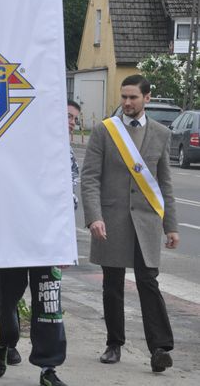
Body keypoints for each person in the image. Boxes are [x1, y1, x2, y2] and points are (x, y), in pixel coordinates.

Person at [81, 74, 179, 373]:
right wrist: (94, 216)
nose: (127, 102)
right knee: (112, 285)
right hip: (111, 220)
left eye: (133, 97)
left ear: (146, 98)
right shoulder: (104, 131)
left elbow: (164, 183)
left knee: (148, 281)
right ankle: (114, 343)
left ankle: (160, 348)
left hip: (146, 223)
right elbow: (90, 179)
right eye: (123, 97)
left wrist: (171, 225)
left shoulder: (161, 133)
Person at [0, 100, 80, 386]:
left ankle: (48, 368)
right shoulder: (16, 143)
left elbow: (69, 199)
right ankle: (2, 343)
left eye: (74, 119)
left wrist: (65, 244)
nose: (70, 123)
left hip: (48, 241)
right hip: (15, 237)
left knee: (49, 306)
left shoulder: (67, 153)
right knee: (5, 300)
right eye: (65, 116)